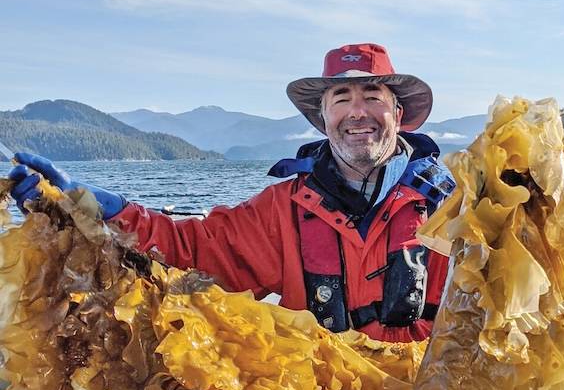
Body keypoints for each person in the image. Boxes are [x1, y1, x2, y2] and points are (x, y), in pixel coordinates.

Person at [8, 43, 454, 342]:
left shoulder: (457, 203)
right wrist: (91, 207)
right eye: (341, 98)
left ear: (398, 113)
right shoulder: (283, 209)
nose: (358, 112)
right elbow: (191, 250)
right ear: (323, 118)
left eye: (372, 96)